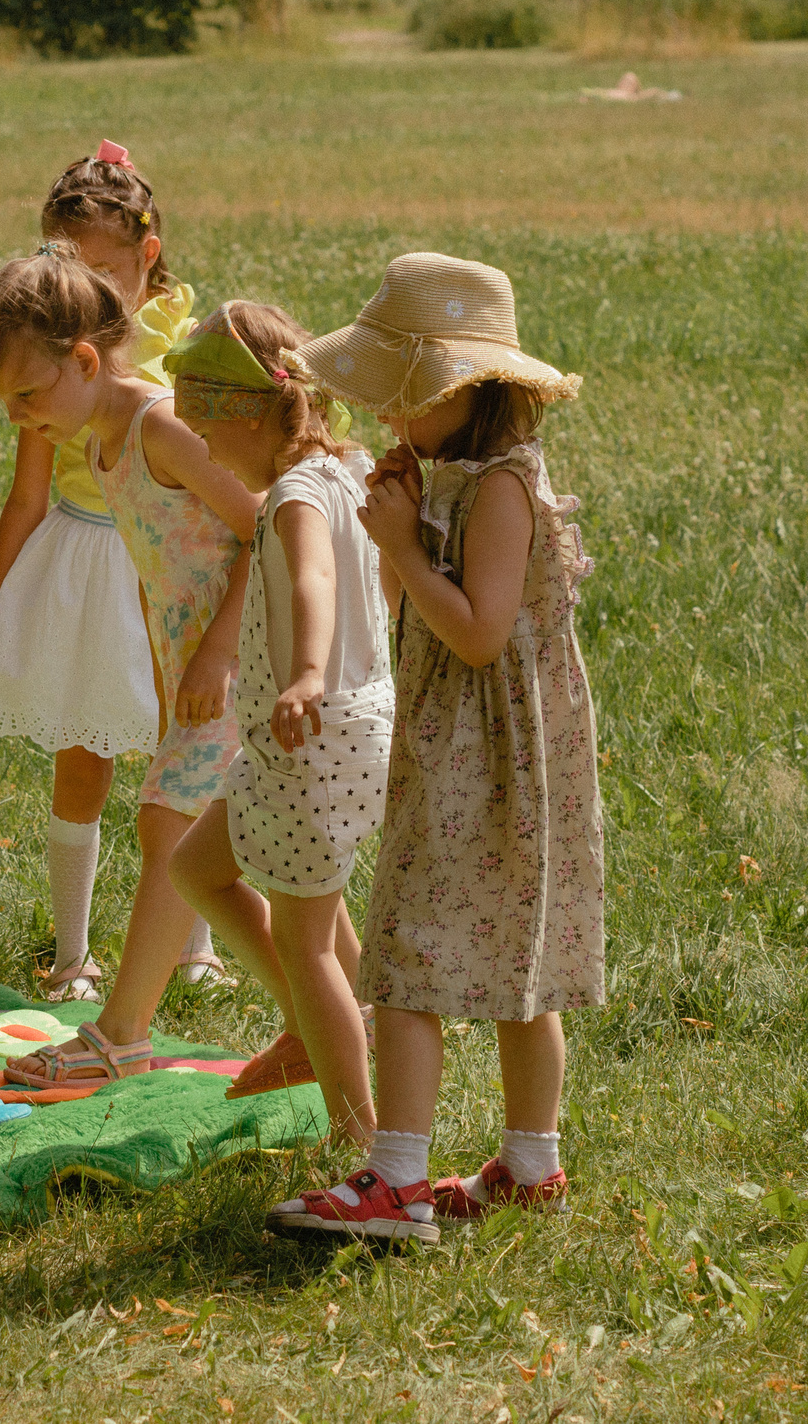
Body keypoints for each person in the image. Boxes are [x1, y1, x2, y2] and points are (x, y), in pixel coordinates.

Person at [267, 253, 602, 1245]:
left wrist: (403, 547)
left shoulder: (500, 491)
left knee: (411, 960)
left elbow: (479, 632)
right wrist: (405, 524)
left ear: (453, 393)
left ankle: (395, 1181)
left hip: (485, 760)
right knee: (507, 959)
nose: (383, 419)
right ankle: (528, 1167)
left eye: (397, 398)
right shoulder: (458, 477)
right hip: (469, 749)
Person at [0, 248, 259, 1093]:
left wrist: (220, 649)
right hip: (199, 668)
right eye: (4, 403)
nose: (18, 417)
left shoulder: (157, 426)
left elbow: (269, 525)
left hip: (248, 660)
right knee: (264, 856)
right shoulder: (97, 443)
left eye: (27, 394)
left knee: (171, 828)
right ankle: (342, 1007)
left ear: (85, 360)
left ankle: (122, 1033)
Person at [0, 141, 218, 1002]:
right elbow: (24, 500)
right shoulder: (44, 365)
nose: (88, 295)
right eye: (69, 269)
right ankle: (72, 952)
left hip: (167, 565)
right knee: (85, 755)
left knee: (192, 752)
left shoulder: (185, 341)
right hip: (86, 566)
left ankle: (195, 943)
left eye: (106, 272)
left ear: (147, 255)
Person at [162, 303, 393, 1143]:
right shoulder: (347, 469)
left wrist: (305, 674)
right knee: (198, 866)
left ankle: (363, 1135)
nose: (200, 450)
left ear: (253, 412)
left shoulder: (295, 496)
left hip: (310, 738)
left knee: (307, 939)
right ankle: (332, 1027)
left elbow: (316, 588)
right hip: (316, 735)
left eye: (204, 430)